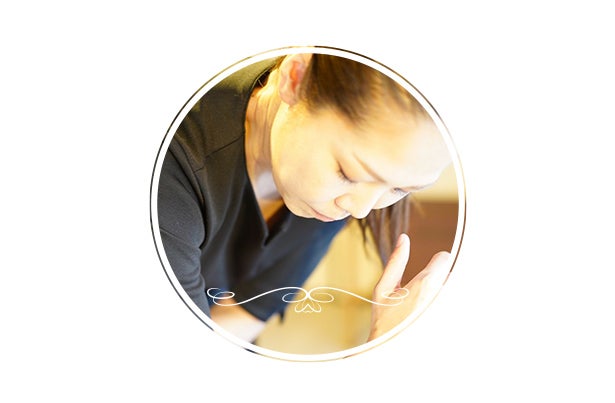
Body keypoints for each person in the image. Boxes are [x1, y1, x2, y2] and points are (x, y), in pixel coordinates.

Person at [156, 51, 453, 346]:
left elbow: (245, 314)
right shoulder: (170, 164)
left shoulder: (326, 193)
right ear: (295, 78)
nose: (361, 210)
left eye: (400, 189)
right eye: (348, 173)